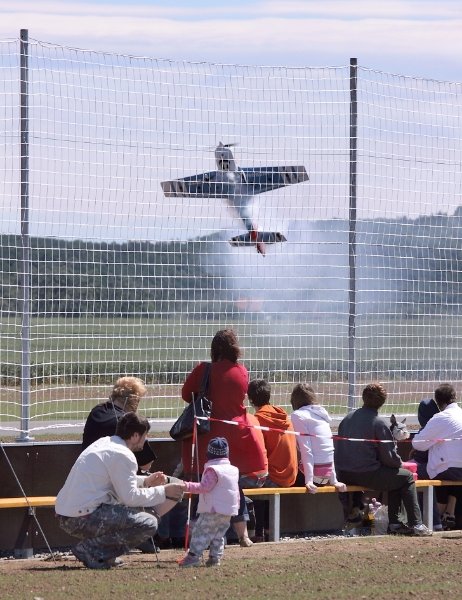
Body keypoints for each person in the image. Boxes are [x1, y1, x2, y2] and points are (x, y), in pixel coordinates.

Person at [56, 412, 186, 569]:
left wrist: (146, 481)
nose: (146, 440)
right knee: (149, 522)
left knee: (135, 514)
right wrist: (163, 492)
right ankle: (91, 550)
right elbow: (129, 497)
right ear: (135, 436)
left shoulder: (105, 443)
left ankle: (103, 554)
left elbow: (116, 480)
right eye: (145, 435)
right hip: (81, 518)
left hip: (69, 515)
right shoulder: (123, 454)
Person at [181, 328, 268, 547]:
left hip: (209, 436)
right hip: (237, 435)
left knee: (203, 486)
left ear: (214, 349)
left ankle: (197, 537)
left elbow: (186, 394)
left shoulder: (204, 370)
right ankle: (243, 535)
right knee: (233, 486)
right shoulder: (242, 371)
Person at [334, 382, 432, 536]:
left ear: (363, 397)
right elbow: (390, 458)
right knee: (406, 477)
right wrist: (400, 464)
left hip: (343, 473)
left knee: (395, 477)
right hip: (365, 473)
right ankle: (416, 524)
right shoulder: (379, 422)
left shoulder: (347, 419)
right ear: (382, 402)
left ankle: (395, 524)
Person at [82, 376, 161, 553]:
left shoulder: (97, 412)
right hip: (109, 486)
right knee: (152, 483)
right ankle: (139, 531)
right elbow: (146, 464)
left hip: (87, 478)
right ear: (133, 400)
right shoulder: (128, 421)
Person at [248, 379, 298, 541]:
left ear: (250, 399)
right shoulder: (283, 415)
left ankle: (257, 533)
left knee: (252, 479)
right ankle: (267, 530)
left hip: (276, 477)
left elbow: (257, 454)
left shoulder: (257, 420)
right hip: (291, 474)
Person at [179, 437, 239, 567]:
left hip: (213, 508)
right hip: (228, 510)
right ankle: (215, 558)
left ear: (209, 454)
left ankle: (193, 557)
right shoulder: (233, 470)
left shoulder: (213, 470)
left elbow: (204, 487)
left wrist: (186, 486)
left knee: (201, 531)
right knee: (219, 534)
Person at [412, 383, 462, 530]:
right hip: (457, 469)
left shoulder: (440, 418)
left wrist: (433, 441)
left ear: (438, 403)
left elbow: (418, 444)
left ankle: (431, 522)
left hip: (450, 469)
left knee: (412, 475)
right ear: (455, 397)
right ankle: (448, 513)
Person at [290, 383, 346, 494]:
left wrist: (309, 481)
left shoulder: (298, 416)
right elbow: (328, 449)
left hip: (312, 478)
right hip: (326, 476)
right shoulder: (321, 415)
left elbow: (306, 450)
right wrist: (334, 480)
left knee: (278, 477)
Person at [409, 397, 443, 531]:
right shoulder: (442, 425)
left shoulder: (427, 430)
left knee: (412, 475)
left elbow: (421, 455)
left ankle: (429, 522)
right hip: (446, 467)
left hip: (433, 469)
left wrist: (413, 455)